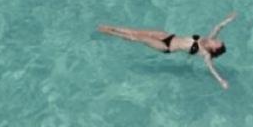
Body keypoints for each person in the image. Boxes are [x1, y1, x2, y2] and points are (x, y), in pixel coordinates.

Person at [97, 11, 237, 90]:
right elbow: (218, 27)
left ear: (214, 48)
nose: (218, 40)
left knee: (137, 38)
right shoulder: (209, 38)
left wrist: (221, 81)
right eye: (219, 40)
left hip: (166, 47)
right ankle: (110, 27)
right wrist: (228, 20)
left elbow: (212, 69)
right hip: (168, 36)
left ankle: (109, 32)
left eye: (218, 43)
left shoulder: (205, 54)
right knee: (138, 31)